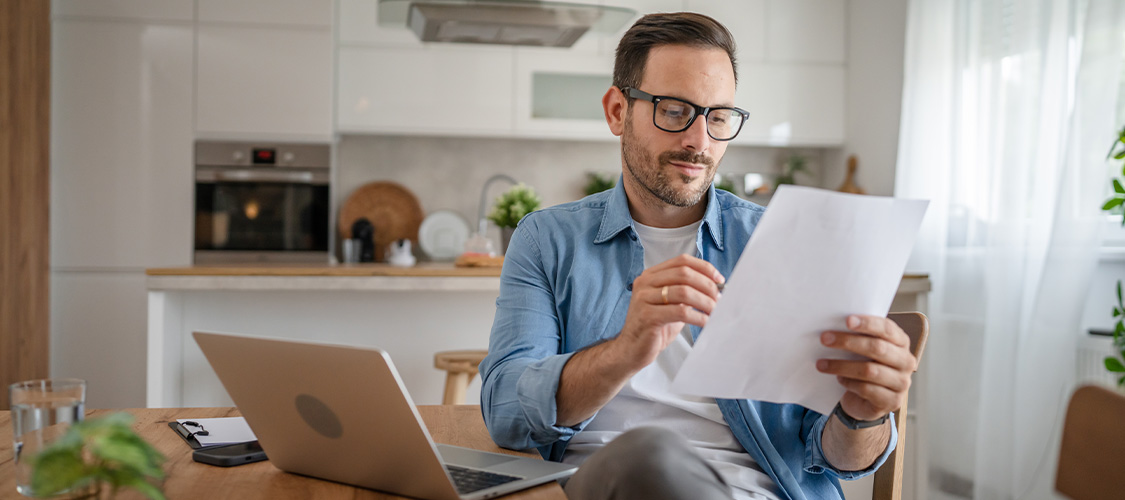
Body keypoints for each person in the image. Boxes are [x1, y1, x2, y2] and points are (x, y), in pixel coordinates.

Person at [479, 12, 918, 500]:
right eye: (673, 110)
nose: (699, 140)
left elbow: (838, 460)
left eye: (719, 116)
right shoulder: (547, 239)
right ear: (617, 111)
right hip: (605, 484)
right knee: (647, 457)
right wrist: (626, 352)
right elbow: (506, 415)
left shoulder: (782, 242)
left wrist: (865, 414)